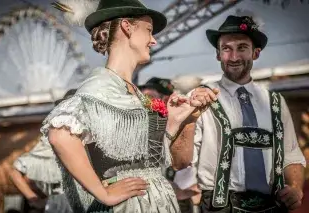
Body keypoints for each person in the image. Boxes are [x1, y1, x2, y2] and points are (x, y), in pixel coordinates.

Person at [40, 0, 208, 212]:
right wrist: (104, 194)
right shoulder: (98, 89)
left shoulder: (130, 92)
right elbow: (60, 134)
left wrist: (178, 120)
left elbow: (157, 160)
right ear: (127, 27)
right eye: (149, 30)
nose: (153, 40)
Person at [170, 15, 306, 212]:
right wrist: (189, 120)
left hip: (272, 206)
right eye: (226, 48)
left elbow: (292, 156)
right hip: (220, 207)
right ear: (218, 54)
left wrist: (295, 188)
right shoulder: (200, 98)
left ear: (256, 53)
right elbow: (180, 163)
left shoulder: (275, 102)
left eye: (242, 47)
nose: (233, 57)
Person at [9, 89, 76, 213]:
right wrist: (35, 200)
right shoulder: (52, 139)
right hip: (60, 205)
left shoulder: (86, 138)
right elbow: (14, 172)